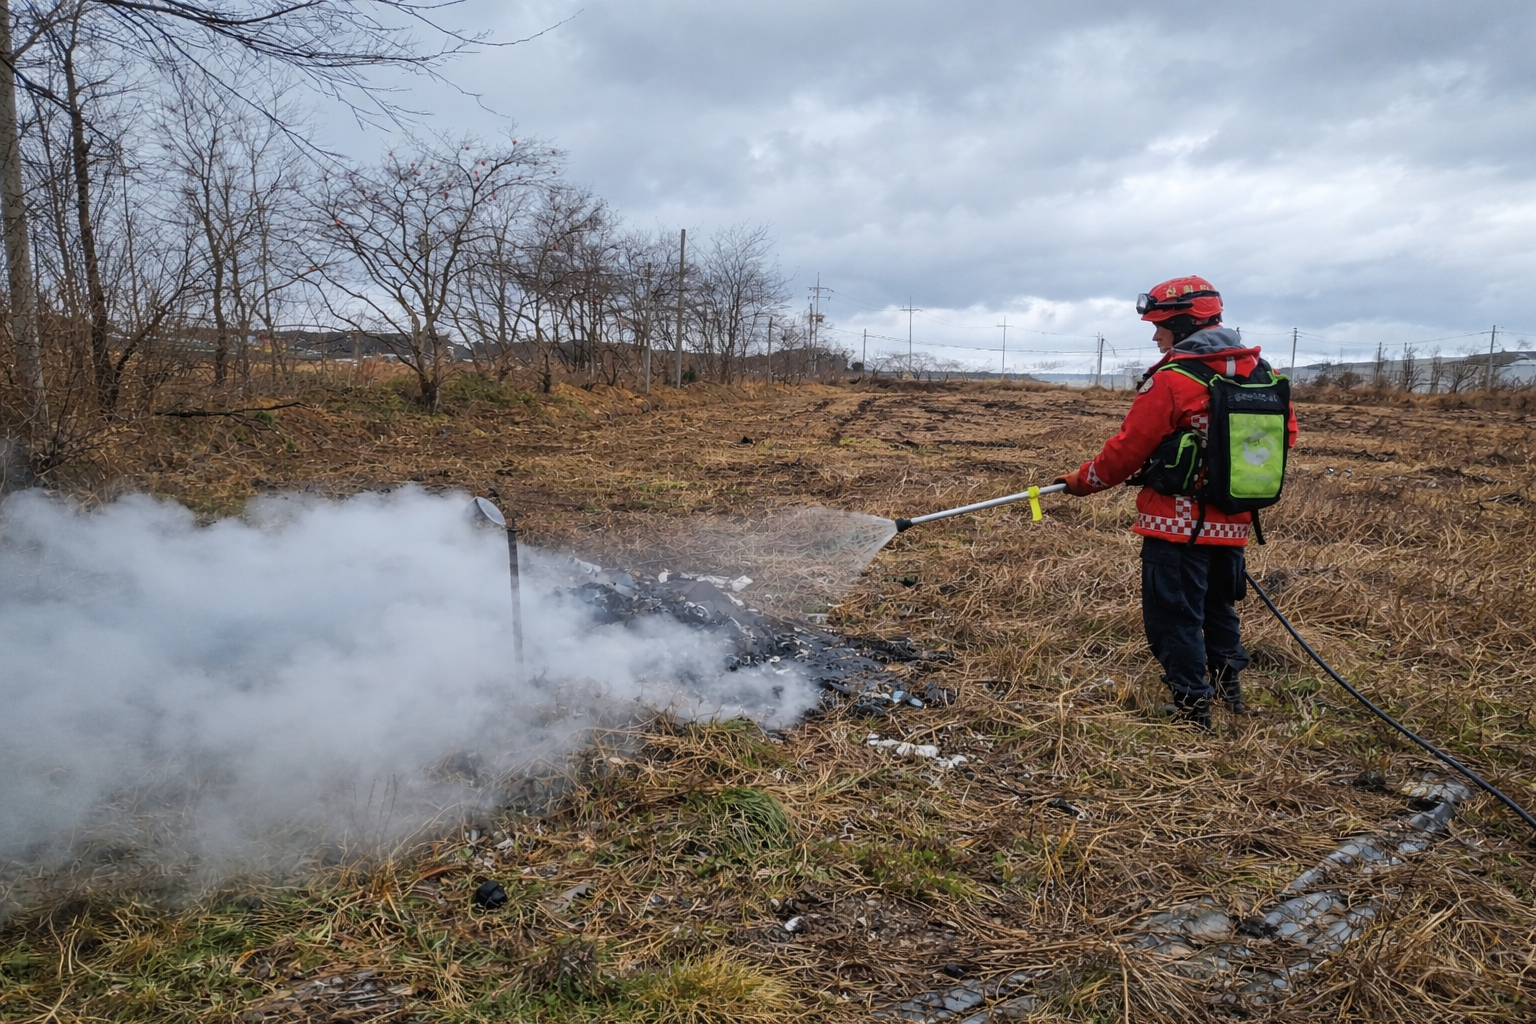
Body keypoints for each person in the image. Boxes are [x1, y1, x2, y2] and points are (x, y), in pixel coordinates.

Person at [1053, 277, 1298, 729]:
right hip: (1233, 523)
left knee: (1174, 616)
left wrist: (1078, 483)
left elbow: (1125, 453)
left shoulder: (1173, 379)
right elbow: (1287, 437)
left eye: (1159, 325)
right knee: (1219, 608)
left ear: (1184, 325)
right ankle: (1230, 694)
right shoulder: (1265, 376)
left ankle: (1192, 708)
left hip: (1176, 526)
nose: (1154, 335)